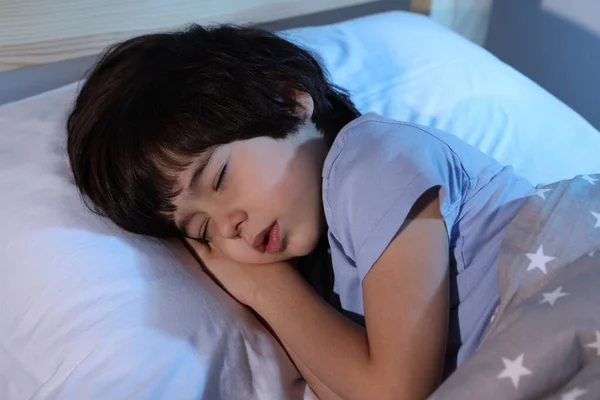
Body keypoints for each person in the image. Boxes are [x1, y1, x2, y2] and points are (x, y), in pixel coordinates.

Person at [67, 24, 534, 400]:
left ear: (290, 102)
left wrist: (263, 287)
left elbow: (395, 393)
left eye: (219, 178)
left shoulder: (373, 159)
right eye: (202, 229)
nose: (227, 227)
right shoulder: (328, 276)